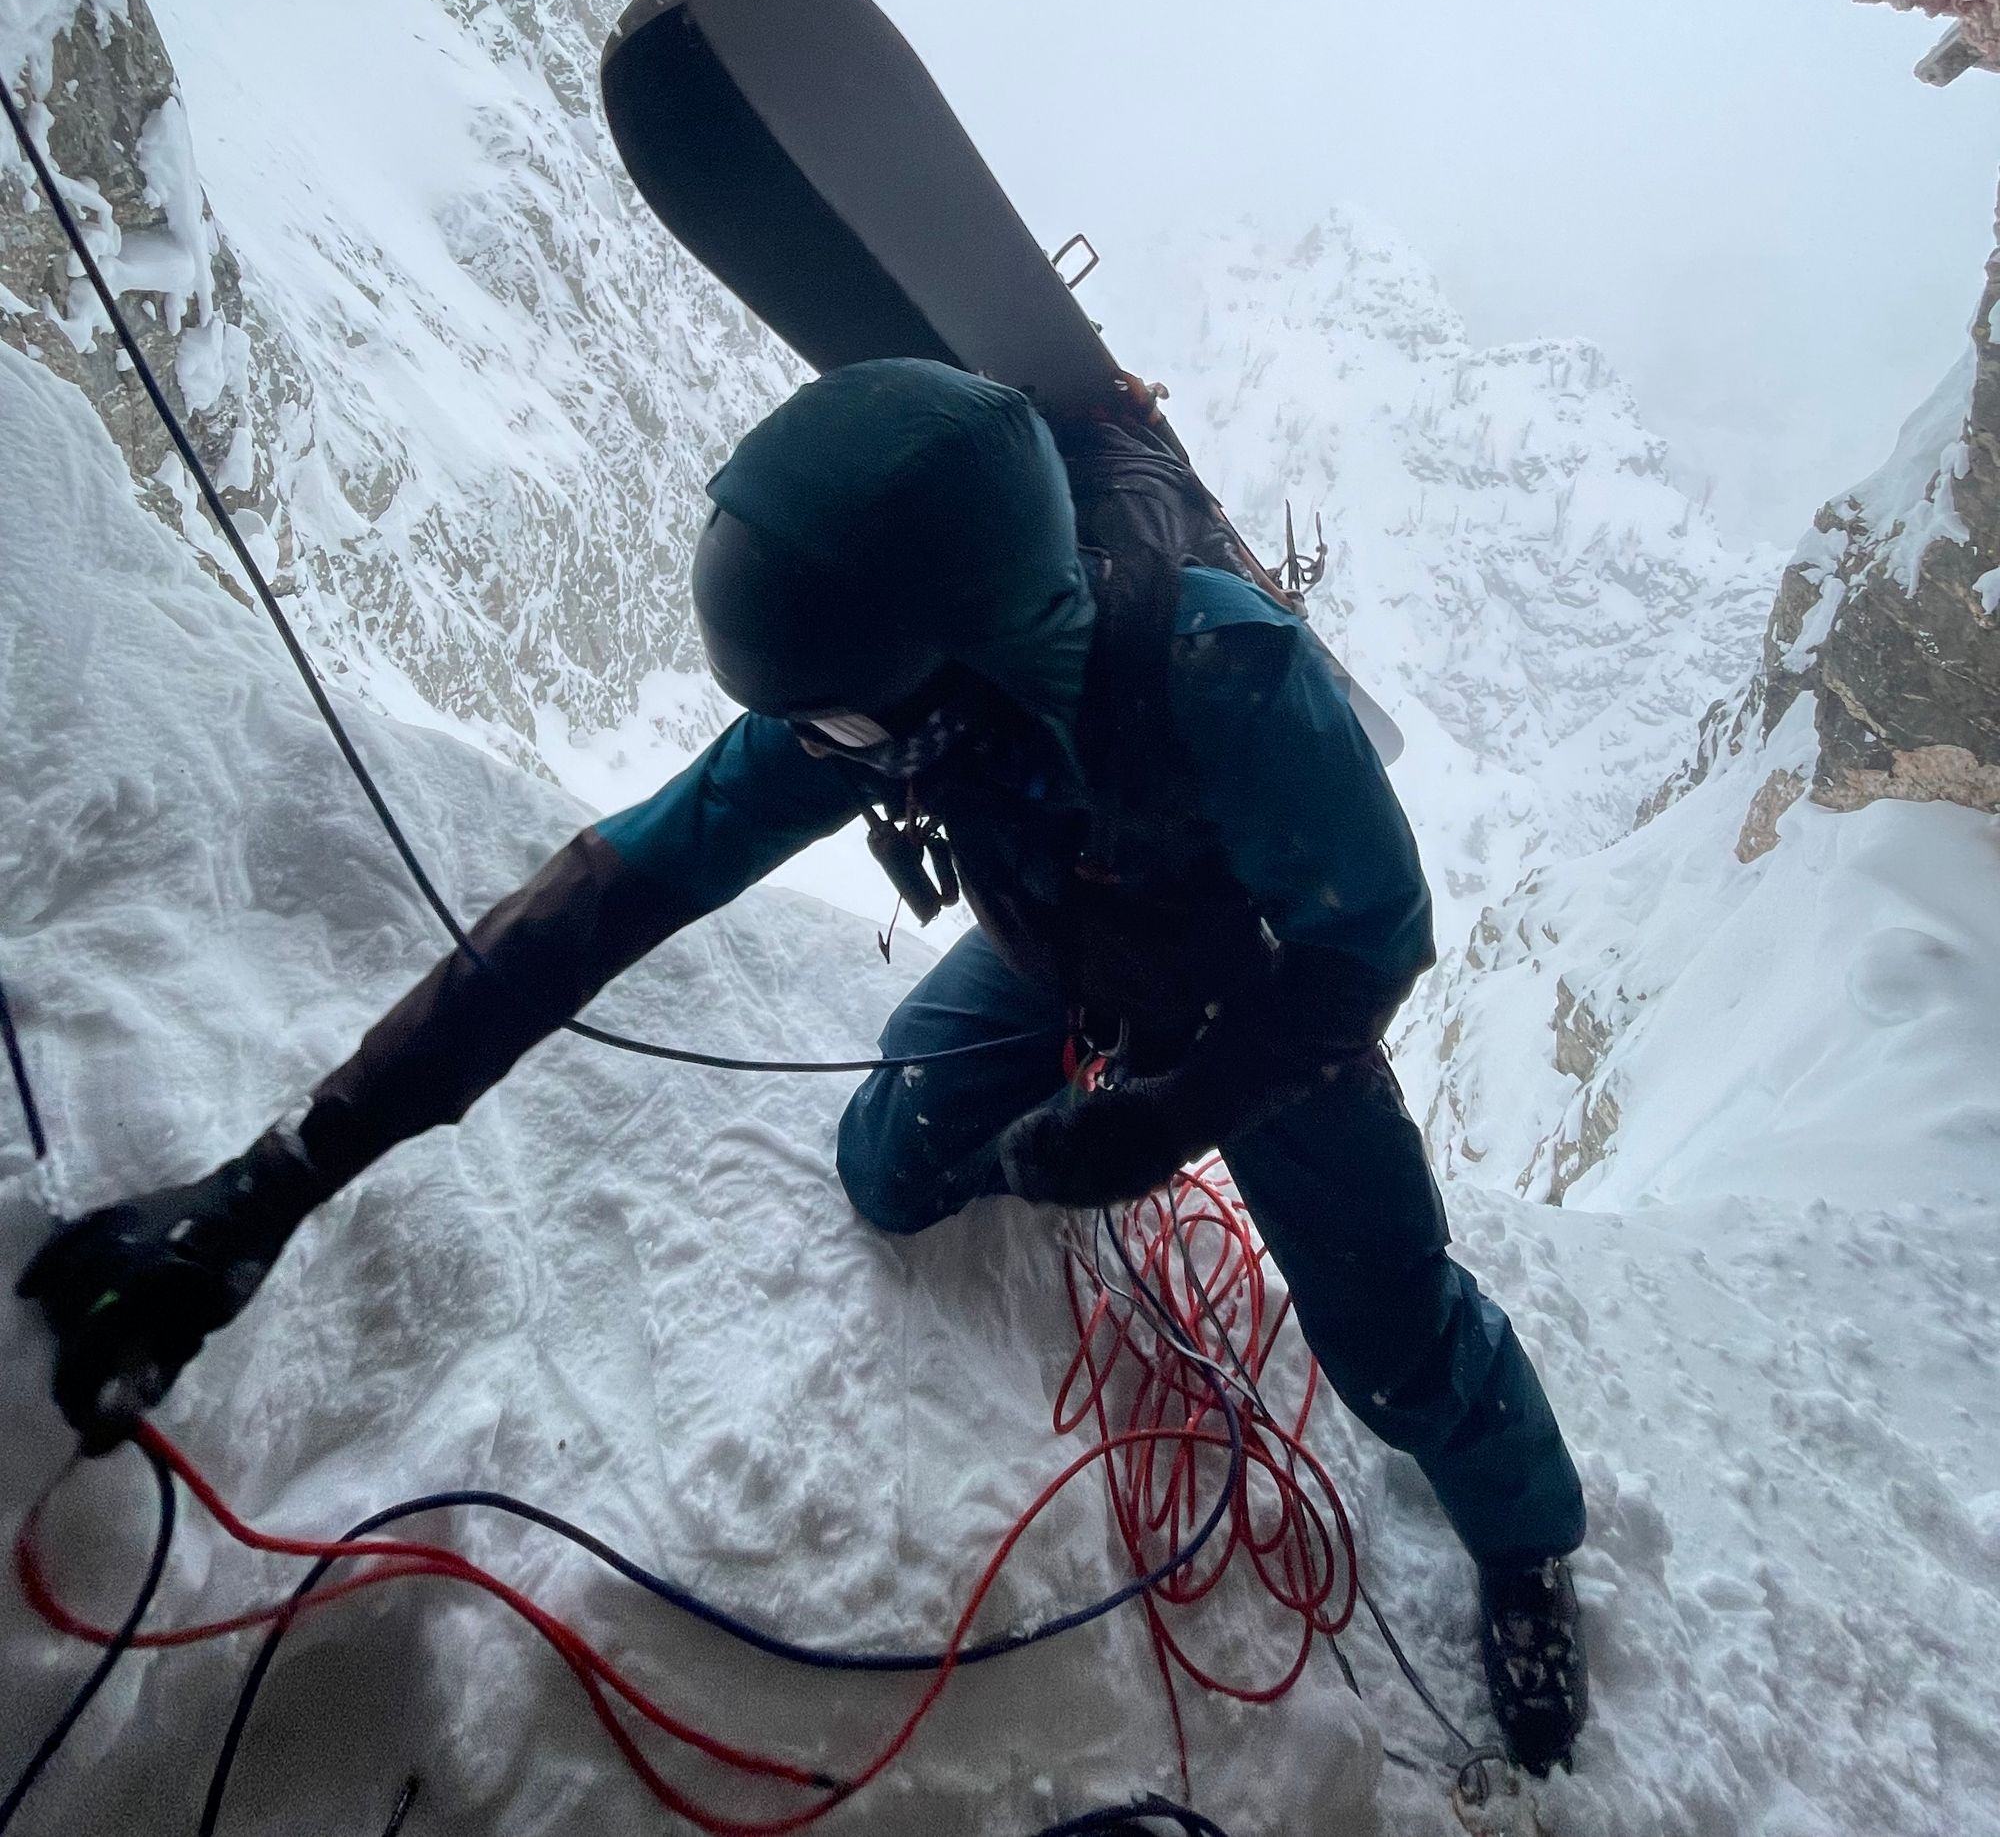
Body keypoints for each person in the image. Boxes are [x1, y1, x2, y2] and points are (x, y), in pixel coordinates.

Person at [18, 360, 1589, 1773]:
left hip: (1260, 1006)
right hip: (1063, 955)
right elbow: (610, 893)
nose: (808, 749)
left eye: (833, 723)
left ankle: (1528, 1542)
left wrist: (1173, 1118)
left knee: (1391, 1338)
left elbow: (1369, 944)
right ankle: (1062, 1117)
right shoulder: (887, 691)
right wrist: (272, 1184)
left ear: (960, 669)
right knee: (891, 1164)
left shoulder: (1227, 676)